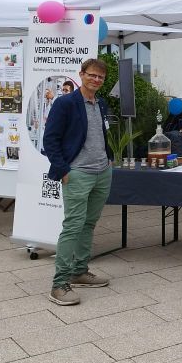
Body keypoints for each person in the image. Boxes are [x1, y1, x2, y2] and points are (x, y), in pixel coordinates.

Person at [42, 58, 113, 305]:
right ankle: (59, 284)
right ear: (81, 74)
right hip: (78, 173)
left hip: (102, 172)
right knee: (73, 226)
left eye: (100, 77)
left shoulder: (100, 103)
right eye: (92, 75)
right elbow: (50, 139)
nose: (96, 80)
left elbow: (101, 134)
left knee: (89, 223)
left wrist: (109, 159)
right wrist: (63, 169)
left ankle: (79, 271)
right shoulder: (65, 103)